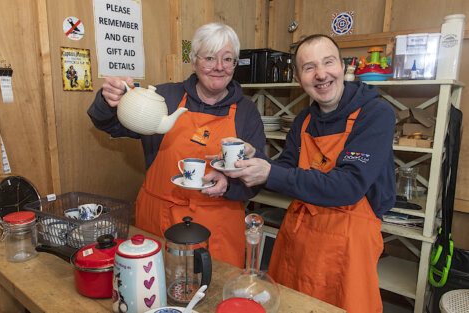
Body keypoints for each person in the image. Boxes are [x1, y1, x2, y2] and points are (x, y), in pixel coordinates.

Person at [224, 34, 395, 312]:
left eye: (328, 62)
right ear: (299, 77)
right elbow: (287, 167)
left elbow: (349, 186)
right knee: (293, 304)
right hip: (301, 237)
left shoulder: (375, 114)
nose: (321, 75)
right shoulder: (304, 120)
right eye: (309, 67)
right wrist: (256, 161)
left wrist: (270, 173)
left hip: (349, 243)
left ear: (343, 66)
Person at [87, 22, 265, 268]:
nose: (219, 67)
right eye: (210, 58)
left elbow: (259, 174)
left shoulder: (247, 112)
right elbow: (111, 125)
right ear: (193, 61)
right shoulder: (165, 97)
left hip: (218, 226)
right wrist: (108, 101)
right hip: (158, 218)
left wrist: (230, 184)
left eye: (228, 59)